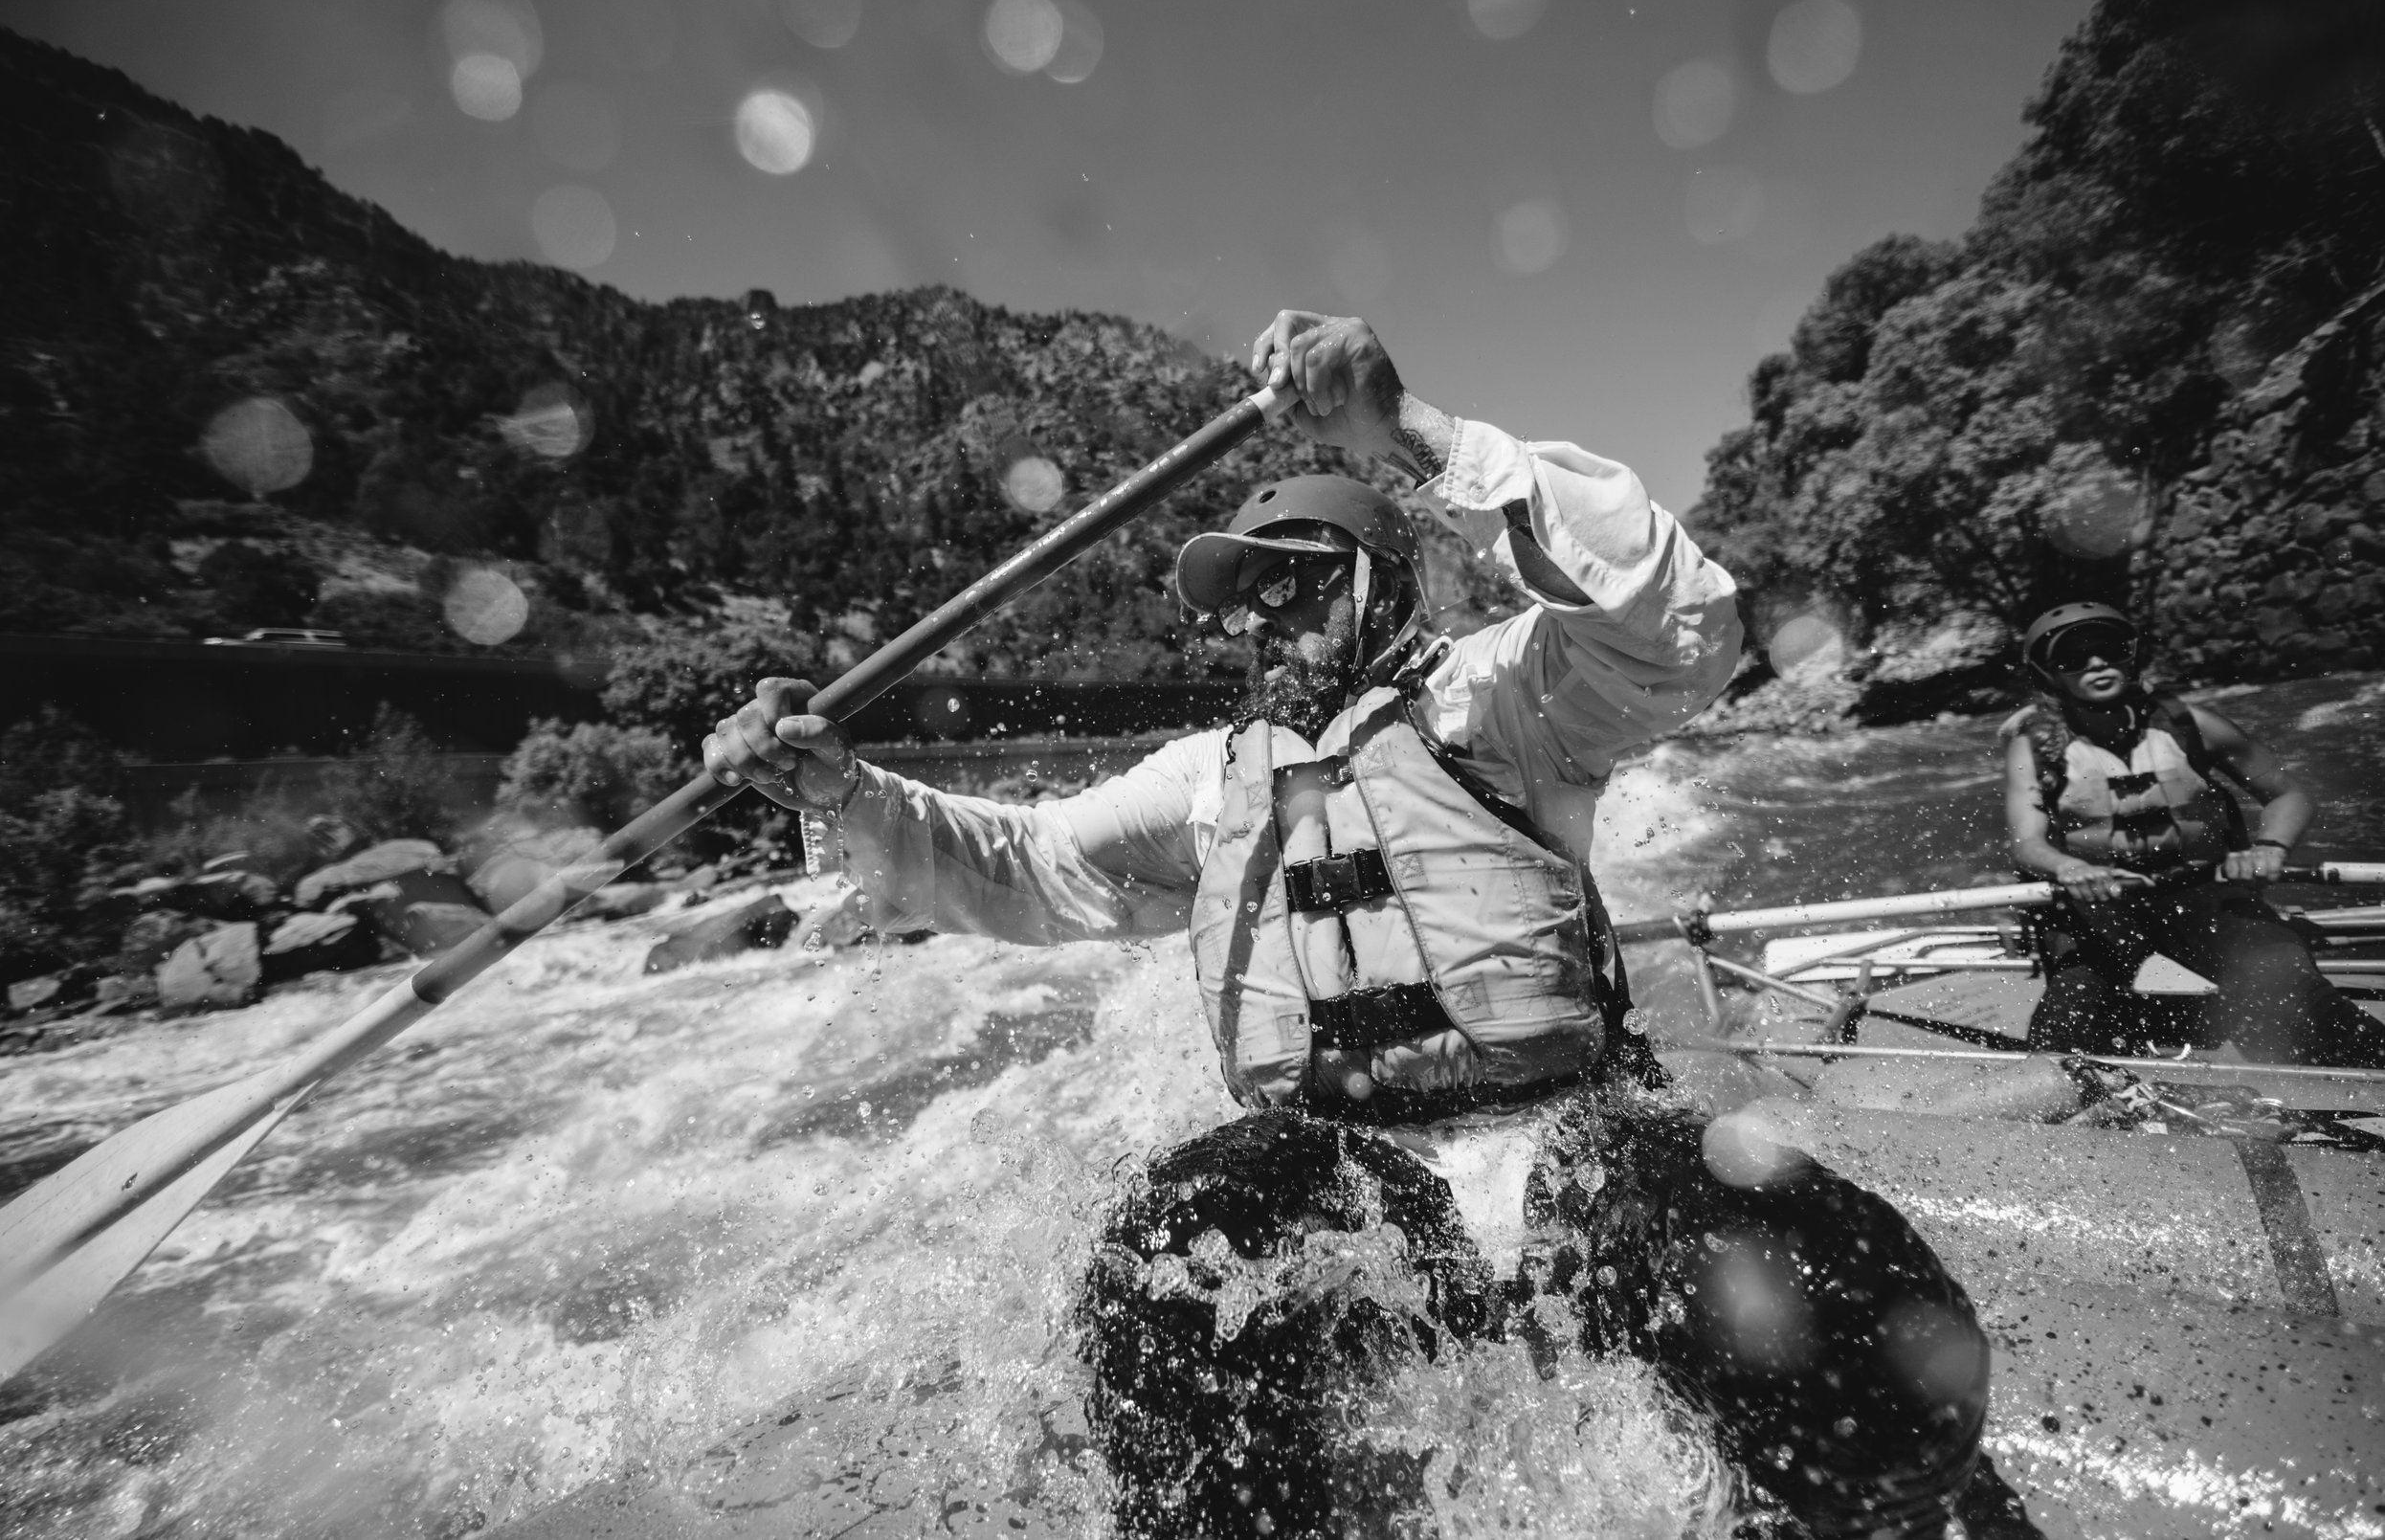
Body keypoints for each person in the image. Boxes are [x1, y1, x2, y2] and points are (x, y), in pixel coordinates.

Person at [706, 312, 2038, 1539]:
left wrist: (1403, 429)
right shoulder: (1198, 780)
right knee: (1166, 1265)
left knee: (1815, 1292)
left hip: (1580, 1133)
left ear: (1387, 578)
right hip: (1355, 1179)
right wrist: (843, 788)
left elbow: (1679, 622)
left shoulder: (1503, 699)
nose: (1261, 611)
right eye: (1243, 591)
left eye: (1296, 576)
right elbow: (1022, 864)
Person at [2003, 601, 2385, 1066]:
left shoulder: (2192, 725)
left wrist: (2269, 848)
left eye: (2108, 649)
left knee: (2287, 990)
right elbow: (2027, 843)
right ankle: (2088, 1080)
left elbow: (2289, 795)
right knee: (2073, 1011)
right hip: (2104, 909)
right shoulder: (2035, 747)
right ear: (2048, 674)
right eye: (2074, 658)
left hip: (2206, 891)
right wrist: (2069, 867)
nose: (2097, 663)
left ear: (2132, 656)